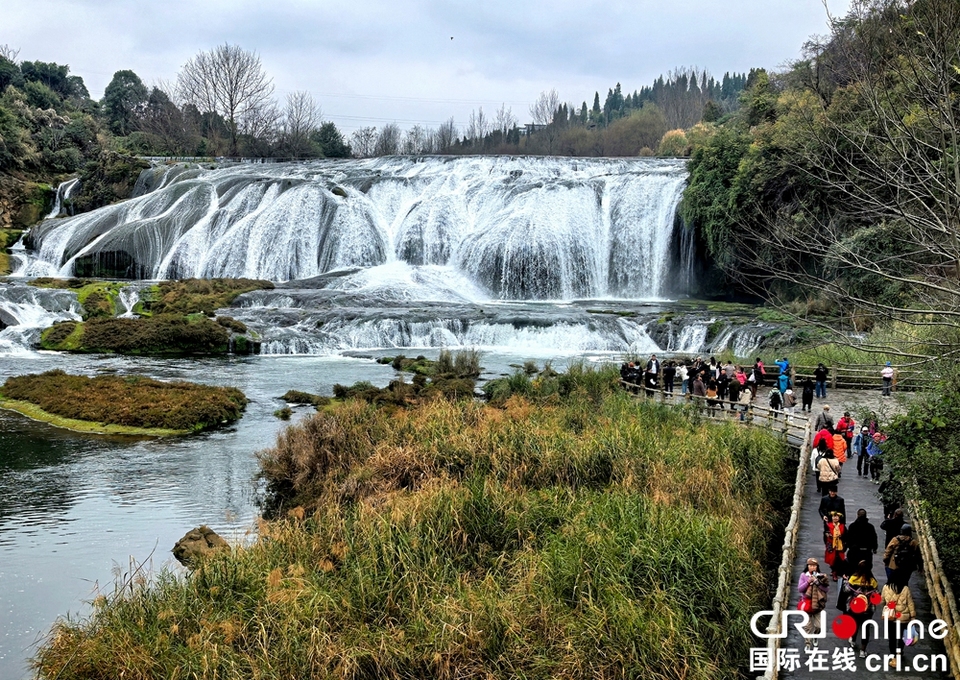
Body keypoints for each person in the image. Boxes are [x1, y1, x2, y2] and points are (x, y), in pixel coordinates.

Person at [843, 560, 879, 657]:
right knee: (865, 628)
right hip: (867, 610)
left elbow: (846, 590)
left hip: (854, 607)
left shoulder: (853, 578)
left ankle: (853, 640)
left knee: (855, 623)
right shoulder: (872, 581)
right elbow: (876, 595)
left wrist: (845, 581)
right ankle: (863, 650)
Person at [880, 581, 916, 668]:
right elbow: (910, 603)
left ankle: (892, 654)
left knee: (892, 637)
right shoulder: (905, 589)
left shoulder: (886, 587)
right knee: (901, 637)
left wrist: (887, 608)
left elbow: (882, 601)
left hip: (890, 617)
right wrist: (913, 616)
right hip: (903, 617)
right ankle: (899, 654)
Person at [798, 557, 829, 651]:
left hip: (818, 604)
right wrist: (808, 582)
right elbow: (800, 589)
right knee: (807, 626)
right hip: (807, 603)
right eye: (810, 565)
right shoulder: (803, 575)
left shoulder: (821, 576)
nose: (812, 567)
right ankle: (807, 643)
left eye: (814, 566)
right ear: (807, 566)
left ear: (817, 567)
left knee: (819, 626)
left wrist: (818, 583)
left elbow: (826, 589)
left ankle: (815, 636)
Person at [824, 511, 848, 581]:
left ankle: (836, 571)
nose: (835, 518)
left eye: (836, 516)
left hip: (840, 545)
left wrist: (841, 538)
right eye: (834, 516)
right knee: (832, 558)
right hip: (831, 545)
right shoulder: (828, 525)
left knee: (839, 558)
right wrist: (828, 535)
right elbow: (826, 532)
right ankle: (834, 571)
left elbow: (846, 536)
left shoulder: (843, 526)